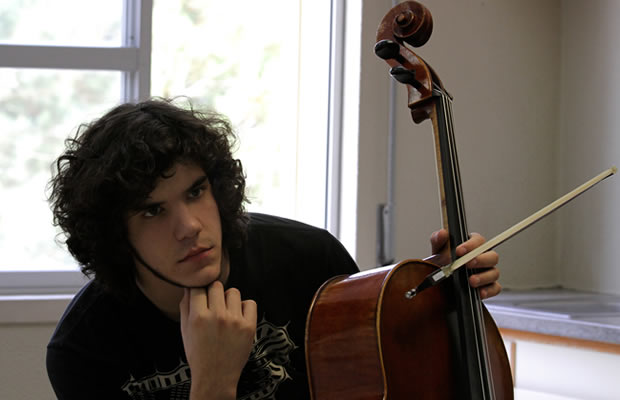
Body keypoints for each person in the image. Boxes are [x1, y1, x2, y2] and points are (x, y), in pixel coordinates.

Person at [46, 98, 501, 400]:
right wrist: (213, 385)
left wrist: (444, 290)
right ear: (115, 235)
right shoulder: (84, 350)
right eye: (152, 211)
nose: (189, 227)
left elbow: (389, 371)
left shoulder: (309, 260)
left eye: (195, 191)